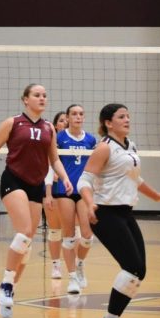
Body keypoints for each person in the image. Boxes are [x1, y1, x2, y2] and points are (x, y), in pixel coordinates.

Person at [77, 103, 160, 318]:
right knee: (131, 267)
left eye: (128, 116)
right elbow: (84, 180)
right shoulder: (104, 148)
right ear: (108, 123)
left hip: (125, 213)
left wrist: (156, 196)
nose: (127, 120)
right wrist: (89, 204)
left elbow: (135, 178)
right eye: (121, 116)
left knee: (139, 271)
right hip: (105, 213)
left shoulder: (130, 146)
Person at [0, 84, 72, 318]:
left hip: (36, 184)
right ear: (25, 100)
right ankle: (6, 285)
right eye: (37, 95)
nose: (42, 98)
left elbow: (55, 159)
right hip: (14, 180)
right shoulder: (12, 123)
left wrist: (65, 177)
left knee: (27, 246)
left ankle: (8, 288)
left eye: (44, 95)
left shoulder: (49, 127)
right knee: (23, 233)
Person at [54, 105, 97, 296]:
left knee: (87, 235)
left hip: (83, 188)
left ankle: (80, 265)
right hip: (64, 189)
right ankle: (72, 277)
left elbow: (97, 165)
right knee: (69, 234)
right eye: (74, 114)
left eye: (81, 114)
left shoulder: (90, 139)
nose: (78, 117)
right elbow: (52, 161)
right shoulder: (60, 138)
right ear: (68, 118)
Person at [42, 111, 70, 282]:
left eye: (67, 120)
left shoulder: (78, 141)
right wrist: (48, 193)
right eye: (61, 120)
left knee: (73, 231)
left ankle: (74, 267)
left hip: (71, 190)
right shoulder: (51, 142)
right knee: (54, 230)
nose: (65, 123)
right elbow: (48, 168)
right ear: (55, 124)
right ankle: (55, 265)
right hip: (52, 188)